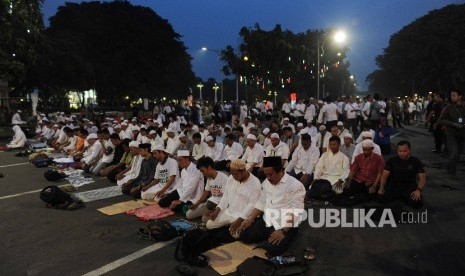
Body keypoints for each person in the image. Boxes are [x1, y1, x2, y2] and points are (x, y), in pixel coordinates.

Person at [239, 156, 306, 256]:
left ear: (280, 171)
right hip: (267, 219)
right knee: (244, 235)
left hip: (284, 224)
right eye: (266, 175)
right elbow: (261, 202)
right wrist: (251, 219)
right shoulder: (266, 182)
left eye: (270, 175)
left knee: (271, 250)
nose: (268, 178)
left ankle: (282, 235)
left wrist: (283, 231)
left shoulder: (295, 185)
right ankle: (269, 235)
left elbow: (297, 212)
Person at [207, 159, 261, 230]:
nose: (233, 176)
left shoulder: (255, 183)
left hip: (243, 216)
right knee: (209, 225)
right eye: (232, 173)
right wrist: (217, 210)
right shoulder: (231, 178)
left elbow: (251, 205)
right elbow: (225, 197)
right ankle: (228, 226)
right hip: (229, 212)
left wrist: (239, 220)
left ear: (243, 171)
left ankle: (229, 227)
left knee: (236, 233)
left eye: (235, 174)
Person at [378, 140, 426, 208]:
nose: (402, 153)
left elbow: (422, 178)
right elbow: (384, 175)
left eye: (404, 151)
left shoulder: (415, 161)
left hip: (409, 186)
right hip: (395, 185)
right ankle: (401, 196)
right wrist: (381, 187)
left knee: (417, 204)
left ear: (409, 150)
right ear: (397, 151)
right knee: (380, 199)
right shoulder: (392, 160)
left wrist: (418, 190)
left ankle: (404, 196)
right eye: (400, 151)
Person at [338, 139, 384, 205]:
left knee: (372, 194)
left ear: (372, 149)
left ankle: (354, 199)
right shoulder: (358, 157)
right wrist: (349, 181)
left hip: (371, 182)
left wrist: (374, 186)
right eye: (364, 149)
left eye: (368, 150)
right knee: (346, 190)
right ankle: (354, 198)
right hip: (359, 180)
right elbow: (353, 171)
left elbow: (380, 173)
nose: (365, 152)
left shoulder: (379, 159)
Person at [186, 157, 228, 222]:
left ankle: (210, 214)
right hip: (210, 204)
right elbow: (206, 192)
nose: (202, 173)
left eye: (203, 171)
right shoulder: (209, 178)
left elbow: (226, 198)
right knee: (189, 214)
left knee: (204, 219)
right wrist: (197, 204)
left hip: (220, 207)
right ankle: (206, 212)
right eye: (201, 171)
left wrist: (215, 211)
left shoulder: (224, 178)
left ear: (209, 167)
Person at [438, 90, 465, 176]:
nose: (451, 97)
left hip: (462, 134)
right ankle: (451, 171)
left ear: (460, 96)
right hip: (451, 134)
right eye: (451, 95)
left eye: (453, 95)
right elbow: (440, 120)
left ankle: (449, 166)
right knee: (454, 152)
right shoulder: (448, 108)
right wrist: (454, 124)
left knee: (458, 154)